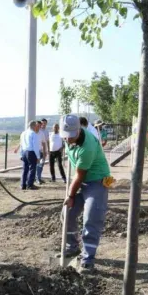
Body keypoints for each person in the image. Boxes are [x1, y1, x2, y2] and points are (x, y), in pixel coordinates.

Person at [60, 114, 111, 273]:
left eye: (71, 137)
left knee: (91, 217)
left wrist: (70, 196)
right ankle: (72, 246)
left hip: (98, 180)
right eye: (65, 137)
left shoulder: (87, 146)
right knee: (67, 213)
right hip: (81, 180)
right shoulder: (68, 138)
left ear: (79, 130)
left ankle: (88, 258)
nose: (67, 140)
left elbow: (79, 175)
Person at [14, 120, 41, 190]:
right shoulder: (33, 134)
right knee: (32, 168)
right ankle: (30, 184)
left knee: (25, 169)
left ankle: (23, 184)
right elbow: (35, 146)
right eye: (36, 125)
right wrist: (38, 156)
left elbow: (21, 144)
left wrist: (21, 154)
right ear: (34, 126)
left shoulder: (23, 133)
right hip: (31, 152)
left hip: (24, 152)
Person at [35, 118, 50, 184]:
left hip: (44, 151)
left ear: (46, 123)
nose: (43, 124)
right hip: (38, 150)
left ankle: (39, 177)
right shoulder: (37, 131)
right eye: (42, 123)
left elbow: (47, 141)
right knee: (37, 165)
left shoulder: (46, 131)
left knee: (41, 165)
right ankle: (37, 178)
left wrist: (48, 149)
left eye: (44, 123)